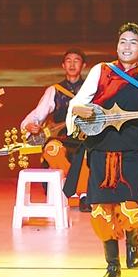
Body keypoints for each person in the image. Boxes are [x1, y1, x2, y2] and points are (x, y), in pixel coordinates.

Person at [65, 22, 138, 277]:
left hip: (131, 153)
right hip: (100, 150)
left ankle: (132, 240)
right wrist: (78, 110)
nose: (127, 47)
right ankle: (113, 266)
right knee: (102, 211)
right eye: (123, 41)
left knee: (128, 207)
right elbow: (78, 102)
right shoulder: (102, 71)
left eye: (133, 42)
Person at [21, 49, 90, 212]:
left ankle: (84, 195)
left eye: (76, 60)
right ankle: (67, 190)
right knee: (52, 150)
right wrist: (29, 125)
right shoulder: (54, 90)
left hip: (85, 138)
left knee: (88, 153)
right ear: (63, 65)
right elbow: (37, 115)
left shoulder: (91, 90)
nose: (72, 64)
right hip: (61, 138)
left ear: (83, 65)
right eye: (68, 61)